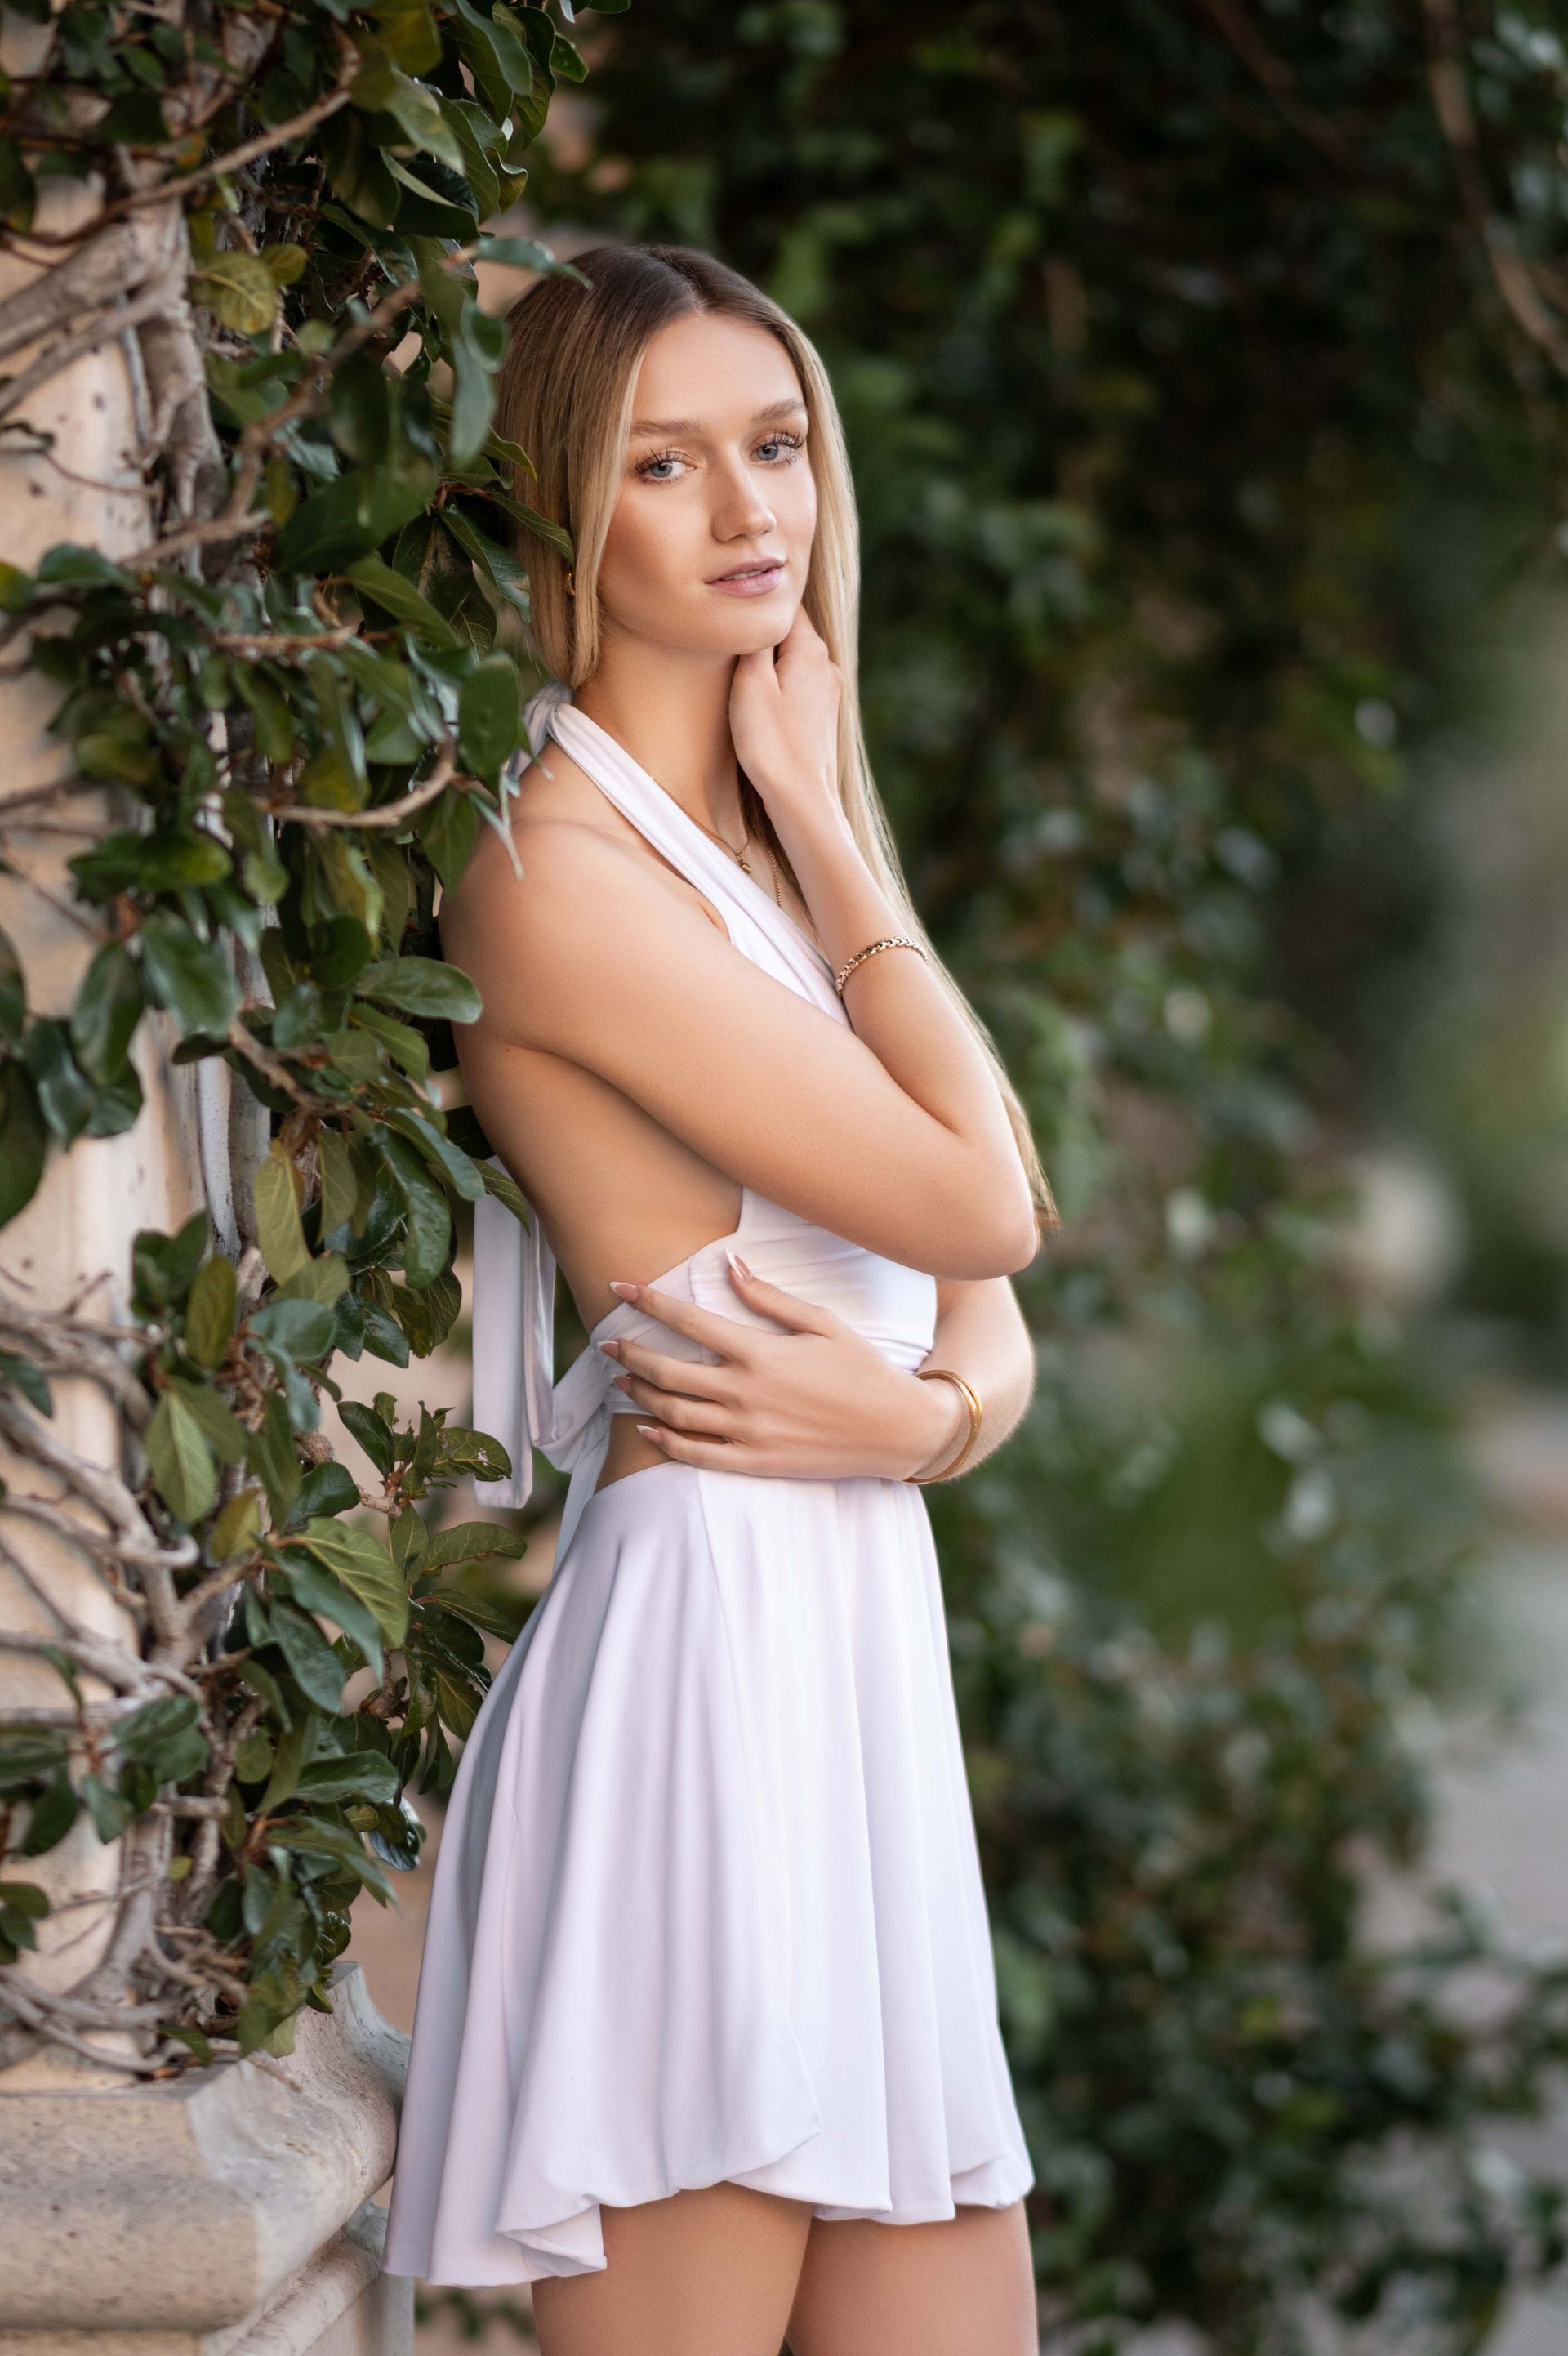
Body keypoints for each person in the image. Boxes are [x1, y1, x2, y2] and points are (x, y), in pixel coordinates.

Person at [380, 242, 1059, 2356]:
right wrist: (861, 871)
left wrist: (931, 1421)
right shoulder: (544, 867)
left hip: (851, 1642)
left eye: (775, 444)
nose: (753, 507)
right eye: (666, 464)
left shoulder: (755, 851)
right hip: (712, 1672)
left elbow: (982, 1296)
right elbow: (988, 1198)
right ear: (567, 504)